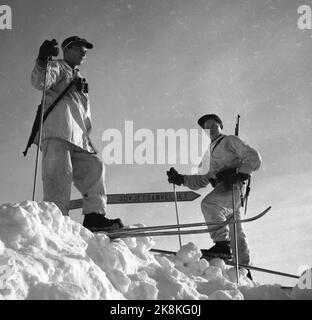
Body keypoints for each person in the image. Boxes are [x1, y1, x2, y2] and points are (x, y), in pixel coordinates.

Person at [30, 36, 123, 231]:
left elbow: (83, 115)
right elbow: (40, 81)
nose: (84, 53)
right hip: (57, 130)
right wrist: (42, 59)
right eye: (80, 49)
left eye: (85, 51)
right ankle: (57, 223)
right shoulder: (57, 67)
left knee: (95, 166)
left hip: (79, 137)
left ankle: (94, 217)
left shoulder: (80, 79)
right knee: (59, 175)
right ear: (68, 49)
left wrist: (88, 139)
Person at [167, 114, 261, 272]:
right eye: (206, 128)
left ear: (221, 126)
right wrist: (181, 179)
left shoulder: (230, 141)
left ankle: (222, 244)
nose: (209, 130)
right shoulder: (207, 155)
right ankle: (244, 270)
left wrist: (239, 172)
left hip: (234, 187)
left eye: (213, 126)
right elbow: (201, 179)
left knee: (209, 204)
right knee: (237, 233)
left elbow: (253, 157)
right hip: (223, 191)